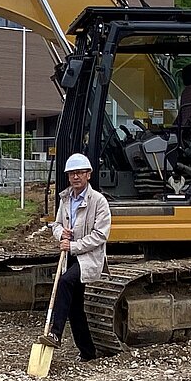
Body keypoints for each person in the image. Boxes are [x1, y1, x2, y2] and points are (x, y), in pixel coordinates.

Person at [37, 153, 111, 362]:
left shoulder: (99, 201)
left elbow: (100, 235)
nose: (75, 177)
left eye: (79, 173)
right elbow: (57, 224)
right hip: (69, 256)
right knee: (75, 308)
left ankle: (55, 333)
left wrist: (74, 245)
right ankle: (88, 352)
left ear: (88, 174)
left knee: (65, 282)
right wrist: (61, 234)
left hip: (89, 257)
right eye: (72, 174)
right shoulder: (66, 198)